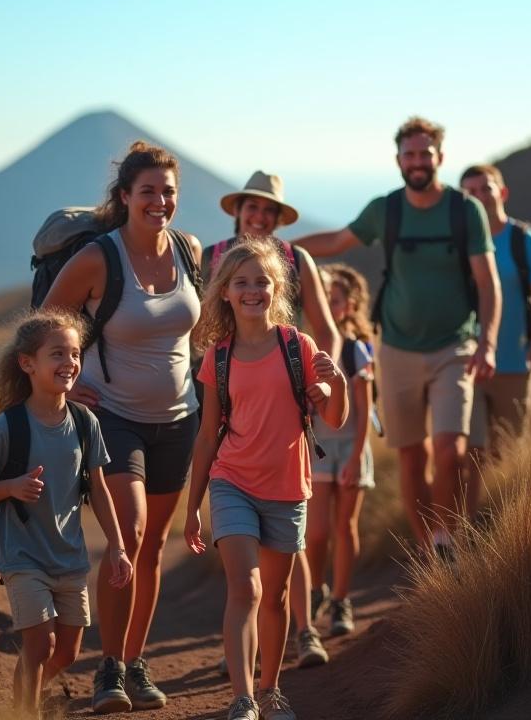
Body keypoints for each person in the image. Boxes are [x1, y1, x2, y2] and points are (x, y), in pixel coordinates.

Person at [42, 141, 202, 713]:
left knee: (155, 545)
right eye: (148, 192)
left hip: (181, 420)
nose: (160, 201)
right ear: (125, 197)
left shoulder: (189, 250)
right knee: (127, 534)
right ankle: (107, 670)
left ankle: (135, 663)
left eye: (168, 192)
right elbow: (45, 327)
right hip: (114, 419)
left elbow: (193, 335)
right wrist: (69, 376)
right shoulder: (98, 259)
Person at [294, 116, 501, 557]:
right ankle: (428, 548)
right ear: (398, 160)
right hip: (398, 350)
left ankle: (447, 538)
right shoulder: (385, 210)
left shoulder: (466, 210)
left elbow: (487, 282)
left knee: (450, 449)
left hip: (454, 346)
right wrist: (284, 247)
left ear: (439, 157)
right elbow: (338, 240)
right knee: (411, 457)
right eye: (409, 155)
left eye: (425, 154)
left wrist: (488, 343)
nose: (417, 162)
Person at [185, 239, 348, 720]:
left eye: (262, 282)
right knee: (247, 590)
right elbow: (207, 436)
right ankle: (242, 698)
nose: (253, 290)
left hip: (288, 487)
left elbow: (334, 421)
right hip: (232, 480)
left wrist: (336, 383)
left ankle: (271, 689)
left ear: (276, 289)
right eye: (242, 283)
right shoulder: (217, 357)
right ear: (225, 293)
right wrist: (193, 505)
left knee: (276, 598)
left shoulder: (298, 347)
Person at [204, 171, 340, 668]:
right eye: (252, 209)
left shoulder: (296, 261)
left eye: (269, 212)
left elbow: (326, 330)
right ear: (238, 211)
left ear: (279, 219)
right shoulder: (212, 256)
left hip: (292, 394)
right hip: (231, 393)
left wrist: (322, 382)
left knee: (287, 537)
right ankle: (247, 646)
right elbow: (202, 328)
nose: (259, 218)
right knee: (244, 547)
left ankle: (304, 632)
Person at [0, 310, 132, 716]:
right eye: (57, 353)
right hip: (23, 554)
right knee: (41, 645)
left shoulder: (84, 421)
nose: (70, 363)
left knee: (68, 652)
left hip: (69, 555)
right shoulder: (10, 426)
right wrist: (11, 487)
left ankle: (24, 692)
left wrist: (118, 546)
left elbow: (100, 490)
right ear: (28, 363)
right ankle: (25, 711)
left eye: (75, 354)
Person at [460, 164, 531, 466]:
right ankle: (471, 513)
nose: (478, 196)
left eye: (485, 188)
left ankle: (504, 513)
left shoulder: (525, 240)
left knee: (507, 453)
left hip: (515, 364)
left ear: (502, 192)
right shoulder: (457, 243)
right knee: (470, 452)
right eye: (469, 192)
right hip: (464, 364)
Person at [307, 264, 375, 636]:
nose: (327, 306)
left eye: (334, 301)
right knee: (316, 532)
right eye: (322, 299)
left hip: (350, 448)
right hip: (317, 450)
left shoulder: (356, 351)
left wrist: (356, 455)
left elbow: (364, 410)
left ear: (347, 307)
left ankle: (342, 601)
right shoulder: (304, 348)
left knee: (344, 526)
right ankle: (317, 589)